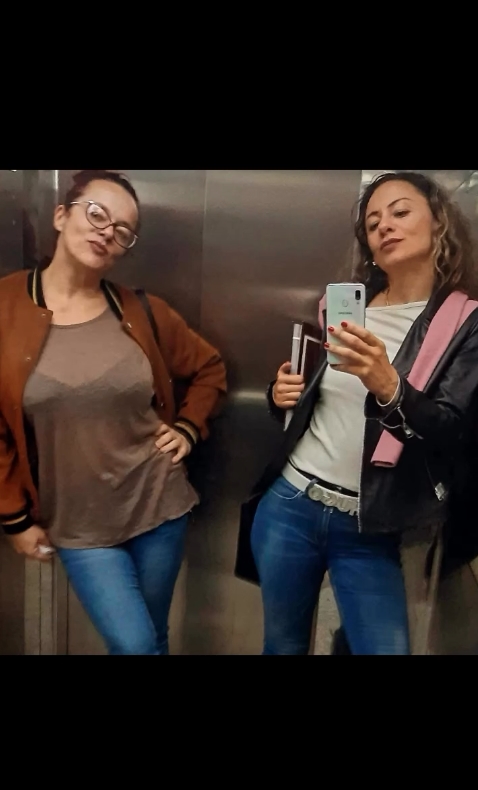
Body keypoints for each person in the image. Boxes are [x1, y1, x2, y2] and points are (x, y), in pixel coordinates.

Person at [242, 171, 478, 655]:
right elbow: (319, 400)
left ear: (438, 222)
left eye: (400, 212)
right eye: (372, 223)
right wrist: (280, 393)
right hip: (291, 504)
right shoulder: (346, 306)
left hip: (368, 526)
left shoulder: (465, 322)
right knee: (282, 645)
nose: (385, 226)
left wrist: (389, 385)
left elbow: (452, 430)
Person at [0, 169, 227, 655]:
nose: (107, 232)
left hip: (159, 505)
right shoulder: (6, 307)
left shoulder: (142, 310)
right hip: (78, 524)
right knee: (137, 645)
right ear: (61, 216)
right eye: (97, 214)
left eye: (123, 230)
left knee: (153, 638)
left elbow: (209, 368)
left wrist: (188, 428)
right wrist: (14, 518)